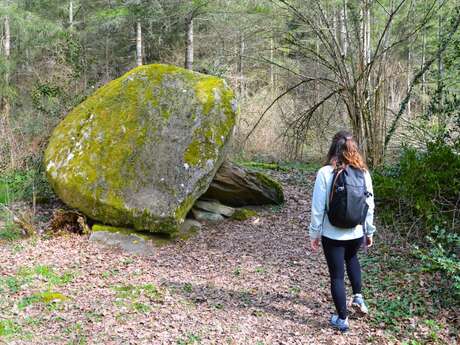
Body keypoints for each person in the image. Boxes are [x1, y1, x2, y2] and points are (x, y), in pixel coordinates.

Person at [309, 130, 376, 333]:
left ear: (333, 148)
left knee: (337, 276)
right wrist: (369, 231)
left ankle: (342, 318)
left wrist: (314, 234)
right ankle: (358, 297)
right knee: (352, 259)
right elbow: (369, 204)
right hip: (355, 233)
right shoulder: (363, 172)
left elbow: (318, 208)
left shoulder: (325, 173)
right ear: (353, 149)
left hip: (333, 234)